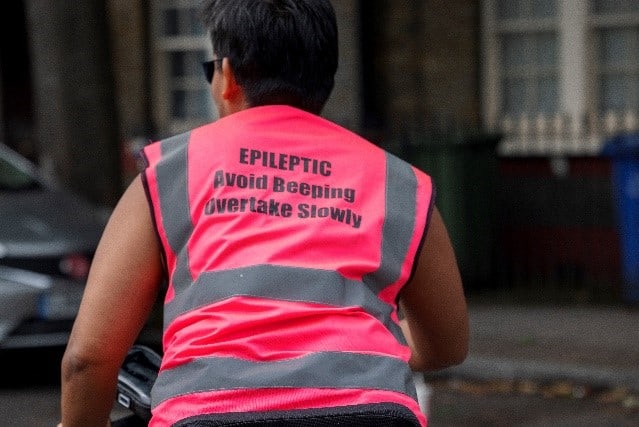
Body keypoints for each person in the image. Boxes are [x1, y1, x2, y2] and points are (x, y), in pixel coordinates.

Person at [59, 0, 469, 426]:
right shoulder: (400, 183)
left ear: (228, 77)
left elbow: (87, 362)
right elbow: (446, 345)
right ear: (324, 80)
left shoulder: (169, 173)